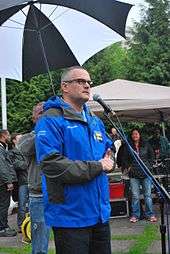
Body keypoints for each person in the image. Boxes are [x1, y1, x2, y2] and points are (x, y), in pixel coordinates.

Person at [35, 66, 114, 254]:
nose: (87, 85)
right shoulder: (50, 119)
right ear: (65, 86)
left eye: (89, 82)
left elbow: (108, 151)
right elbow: (51, 164)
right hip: (70, 215)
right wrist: (98, 166)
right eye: (80, 81)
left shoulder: (95, 120)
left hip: (100, 214)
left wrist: (111, 158)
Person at [18, 102, 50, 253]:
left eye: (46, 112)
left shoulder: (57, 132)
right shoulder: (27, 138)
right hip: (38, 195)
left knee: (68, 236)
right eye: (40, 113)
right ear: (34, 118)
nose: (44, 115)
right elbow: (23, 148)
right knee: (39, 238)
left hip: (60, 192)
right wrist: (42, 131)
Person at [118, 128, 157, 223]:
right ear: (131, 136)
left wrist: (149, 166)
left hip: (145, 173)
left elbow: (152, 156)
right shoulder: (128, 146)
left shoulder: (146, 144)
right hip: (133, 174)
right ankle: (135, 215)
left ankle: (150, 214)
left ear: (140, 135)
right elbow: (124, 158)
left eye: (136, 134)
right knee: (135, 196)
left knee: (147, 195)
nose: (135, 135)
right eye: (133, 134)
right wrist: (128, 167)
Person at [9, 133, 29, 232]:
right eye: (19, 138)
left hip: (32, 181)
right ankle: (21, 225)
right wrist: (28, 163)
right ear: (14, 141)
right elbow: (17, 165)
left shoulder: (27, 149)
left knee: (31, 205)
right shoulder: (12, 152)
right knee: (22, 205)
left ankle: (30, 225)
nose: (22, 139)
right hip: (22, 182)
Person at [0, 129, 17, 237]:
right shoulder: (0, 149)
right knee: (3, 205)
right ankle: (3, 228)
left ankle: (3, 226)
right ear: (3, 136)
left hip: (2, 181)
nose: (10, 137)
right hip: (2, 183)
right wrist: (8, 181)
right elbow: (2, 167)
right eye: (8, 135)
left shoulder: (3, 148)